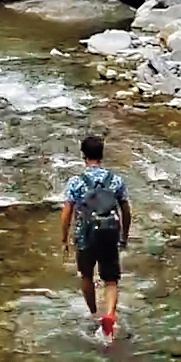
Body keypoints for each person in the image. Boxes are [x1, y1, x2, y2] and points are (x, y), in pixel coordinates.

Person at [61, 134, 130, 341]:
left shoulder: (76, 182)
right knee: (111, 280)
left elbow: (66, 213)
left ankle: (94, 315)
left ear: (83, 155)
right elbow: (126, 210)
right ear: (102, 154)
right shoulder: (116, 180)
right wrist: (124, 236)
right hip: (110, 233)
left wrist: (64, 239)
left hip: (85, 235)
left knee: (87, 276)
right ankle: (109, 314)